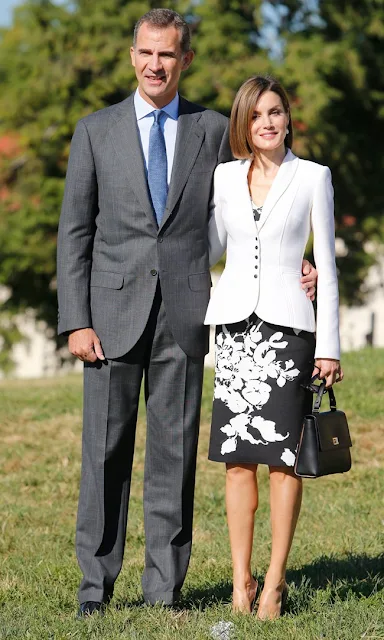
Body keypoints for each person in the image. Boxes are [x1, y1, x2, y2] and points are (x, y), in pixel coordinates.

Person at [57, 11, 317, 616]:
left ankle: (164, 591)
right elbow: (75, 233)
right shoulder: (94, 131)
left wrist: (295, 261)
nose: (155, 65)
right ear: (132, 56)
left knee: (173, 457)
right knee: (104, 456)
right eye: (146, 53)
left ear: (185, 60)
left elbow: (263, 192)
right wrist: (76, 319)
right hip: (109, 318)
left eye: (168, 55)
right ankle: (94, 590)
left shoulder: (209, 130)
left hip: (188, 317)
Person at [205, 75, 344, 619]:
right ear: (244, 122)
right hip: (237, 334)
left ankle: (276, 583)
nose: (267, 122)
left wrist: (329, 346)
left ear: (288, 118)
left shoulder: (313, 177)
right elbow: (211, 247)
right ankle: (241, 581)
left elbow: (327, 268)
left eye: (276, 112)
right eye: (257, 114)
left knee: (284, 463)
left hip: (290, 333)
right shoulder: (223, 178)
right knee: (237, 464)